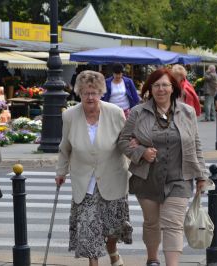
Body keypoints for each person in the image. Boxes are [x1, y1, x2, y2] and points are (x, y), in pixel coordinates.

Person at [118, 68, 209, 266]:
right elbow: (123, 141)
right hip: (147, 177)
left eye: (165, 85)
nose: (161, 89)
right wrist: (141, 152)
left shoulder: (187, 112)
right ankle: (152, 259)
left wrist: (202, 174)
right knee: (152, 223)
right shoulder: (138, 112)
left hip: (179, 178)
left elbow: (195, 144)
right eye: (156, 85)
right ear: (150, 88)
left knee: (173, 225)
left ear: (173, 88)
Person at [56, 70, 132, 266]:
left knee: (112, 227)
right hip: (85, 182)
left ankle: (113, 251)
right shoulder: (70, 116)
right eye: (85, 93)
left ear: (101, 93)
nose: (90, 97)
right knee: (89, 228)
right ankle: (94, 263)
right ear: (79, 93)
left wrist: (136, 162)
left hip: (113, 177)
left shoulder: (115, 113)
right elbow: (65, 147)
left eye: (94, 92)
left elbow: (125, 143)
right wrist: (61, 172)